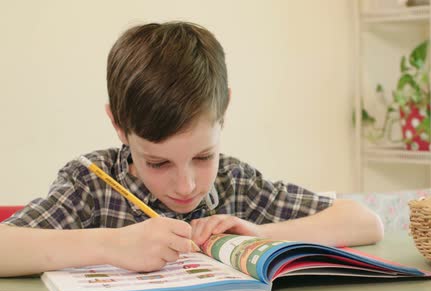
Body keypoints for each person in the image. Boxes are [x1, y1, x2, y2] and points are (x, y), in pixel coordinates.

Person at [0, 21, 383, 277]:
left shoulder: (235, 183)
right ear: (118, 125)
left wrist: (258, 234)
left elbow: (366, 222)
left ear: (224, 112)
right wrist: (111, 244)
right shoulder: (90, 184)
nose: (185, 185)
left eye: (203, 157)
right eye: (157, 162)